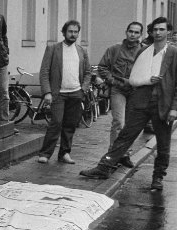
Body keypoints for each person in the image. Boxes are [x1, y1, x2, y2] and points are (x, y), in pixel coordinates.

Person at [81, 16, 177, 190]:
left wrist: (174, 109)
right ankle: (104, 167)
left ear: (168, 31)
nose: (158, 32)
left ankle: (158, 178)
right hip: (141, 102)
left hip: (162, 103)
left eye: (162, 29)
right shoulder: (144, 51)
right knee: (125, 136)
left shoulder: (173, 52)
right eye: (155, 29)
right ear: (151, 31)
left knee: (163, 143)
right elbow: (136, 77)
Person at [36, 20, 90, 164]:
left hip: (76, 93)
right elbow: (44, 71)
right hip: (58, 93)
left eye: (75, 32)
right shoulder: (53, 49)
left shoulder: (81, 50)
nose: (73, 34)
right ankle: (45, 154)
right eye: (70, 31)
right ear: (64, 32)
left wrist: (83, 90)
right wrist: (47, 92)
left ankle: (65, 153)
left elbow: (88, 72)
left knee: (70, 124)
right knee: (56, 123)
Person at [95, 22, 145, 169]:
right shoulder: (114, 49)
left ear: (140, 35)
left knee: (131, 125)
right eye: (131, 31)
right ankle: (112, 155)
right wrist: (112, 80)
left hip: (136, 91)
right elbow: (102, 67)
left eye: (136, 32)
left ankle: (125, 154)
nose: (133, 35)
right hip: (118, 90)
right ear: (126, 32)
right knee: (118, 122)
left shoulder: (144, 51)